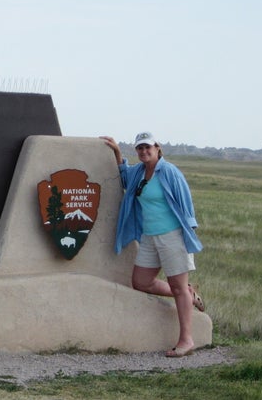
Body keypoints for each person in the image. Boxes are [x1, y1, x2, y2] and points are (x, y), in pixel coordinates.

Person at [100, 132, 205, 358]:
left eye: (148, 147)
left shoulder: (169, 172)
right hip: (149, 237)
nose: (144, 151)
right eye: (140, 148)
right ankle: (188, 293)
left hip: (173, 236)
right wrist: (117, 152)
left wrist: (188, 234)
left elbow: (186, 203)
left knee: (177, 286)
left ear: (157, 148)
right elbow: (124, 178)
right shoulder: (139, 172)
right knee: (141, 281)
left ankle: (186, 340)